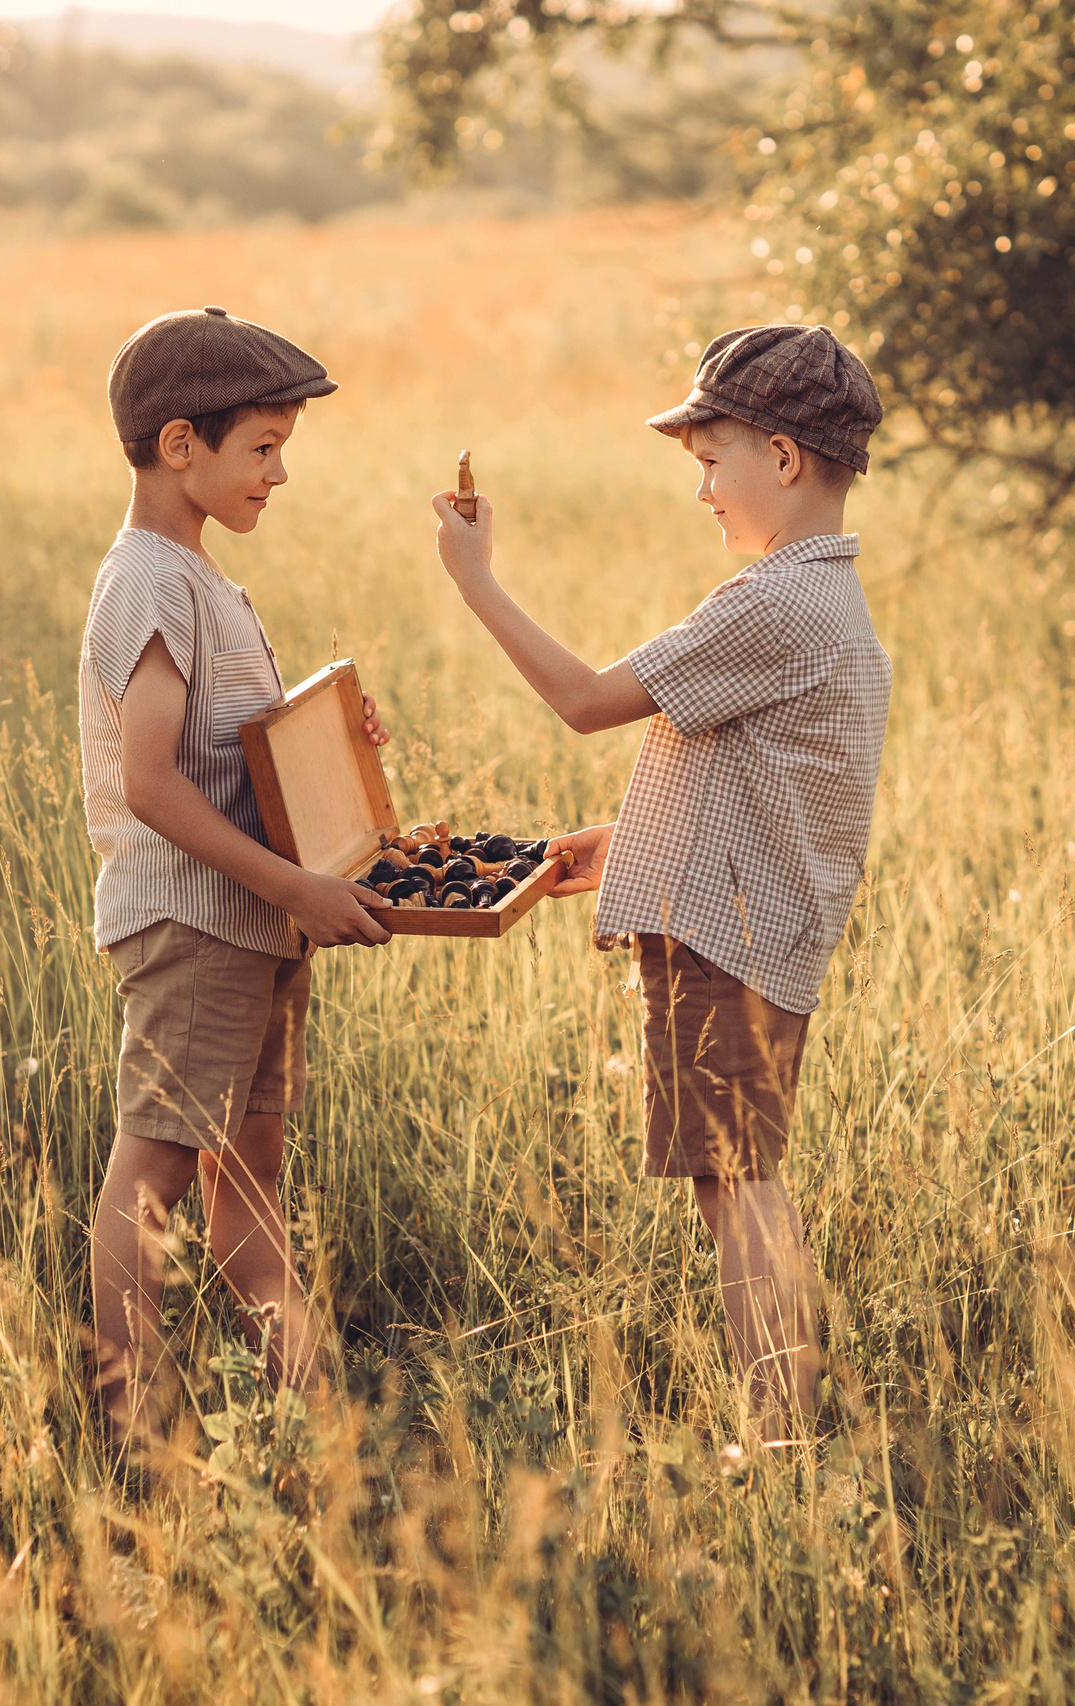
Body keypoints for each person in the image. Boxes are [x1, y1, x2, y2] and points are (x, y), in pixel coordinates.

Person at [428, 325, 891, 1425]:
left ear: (781, 458)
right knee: (735, 1177)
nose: (701, 493)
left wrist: (474, 579)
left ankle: (778, 1429)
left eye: (708, 462)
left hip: (722, 944)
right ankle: (783, 1415)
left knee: (735, 1186)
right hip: (751, 933)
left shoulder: (774, 601)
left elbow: (588, 700)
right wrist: (623, 839)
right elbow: (760, 782)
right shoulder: (825, 605)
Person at [79, 305, 392, 1446]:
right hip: (195, 921)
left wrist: (334, 744)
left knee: (249, 1171)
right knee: (155, 1166)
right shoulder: (150, 583)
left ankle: (308, 1412)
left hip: (254, 920)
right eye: (261, 447)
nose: (281, 471)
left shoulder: (199, 579)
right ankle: (135, 1433)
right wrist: (301, 888)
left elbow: (234, 752)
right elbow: (153, 783)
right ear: (180, 446)